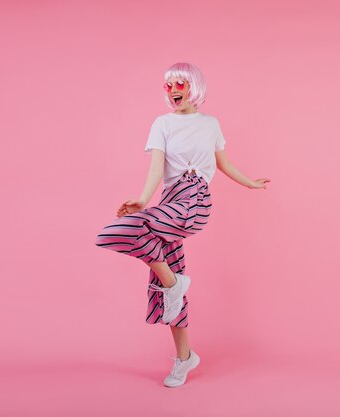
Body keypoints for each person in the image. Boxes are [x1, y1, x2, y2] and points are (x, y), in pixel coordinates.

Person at [94, 62, 270, 387]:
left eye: (181, 84)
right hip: (169, 200)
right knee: (136, 241)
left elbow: (224, 163)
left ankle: (174, 284)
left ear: (194, 87)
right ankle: (185, 357)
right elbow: (156, 169)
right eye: (169, 85)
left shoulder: (210, 124)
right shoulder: (161, 124)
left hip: (196, 199)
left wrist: (249, 184)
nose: (174, 90)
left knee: (150, 247)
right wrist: (143, 201)